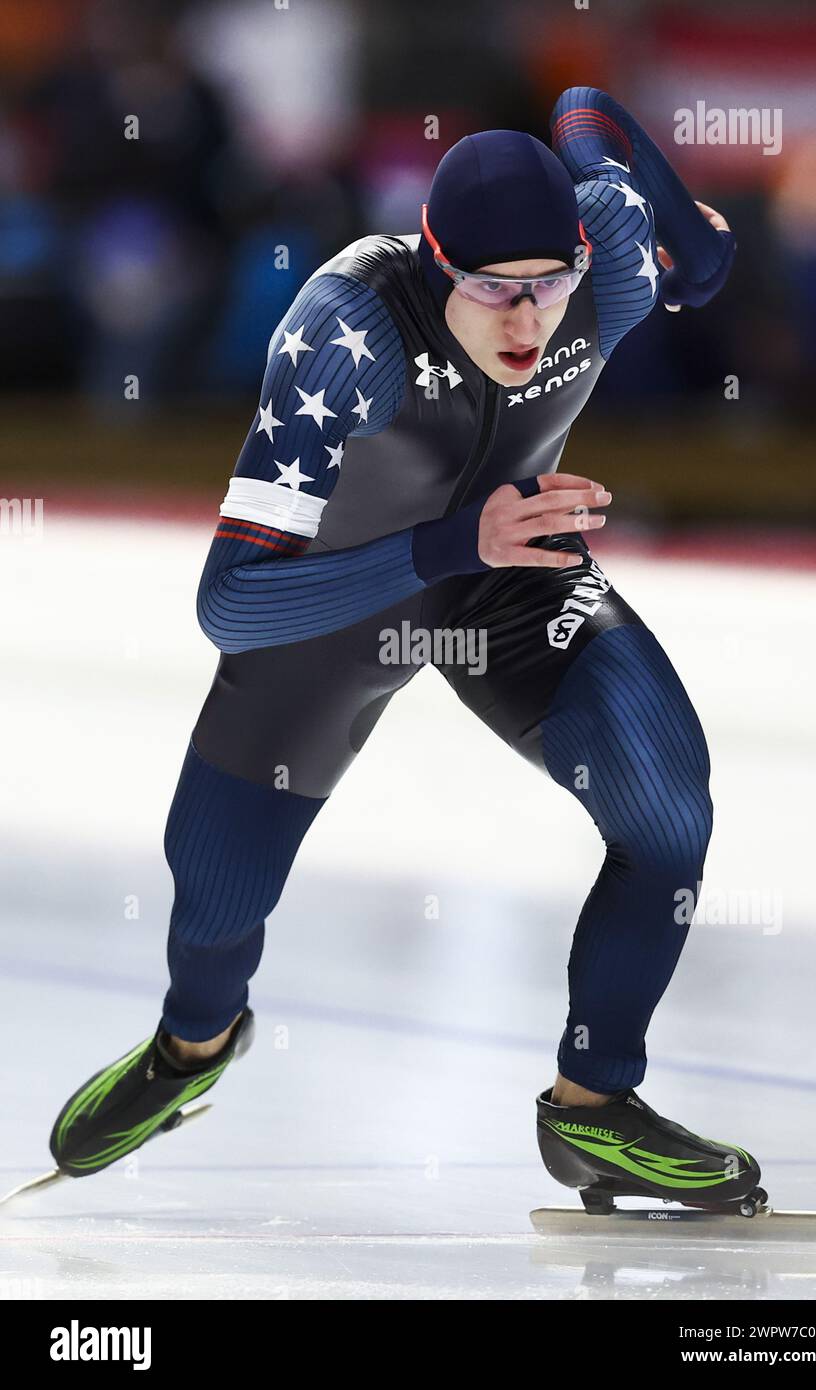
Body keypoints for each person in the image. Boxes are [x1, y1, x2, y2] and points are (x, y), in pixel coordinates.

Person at [49, 87, 761, 1212]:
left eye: (547, 287)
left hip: (507, 565)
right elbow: (230, 603)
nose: (527, 323)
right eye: (490, 291)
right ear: (437, 267)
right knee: (218, 902)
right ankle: (192, 1047)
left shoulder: (607, 255)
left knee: (669, 810)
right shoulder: (346, 335)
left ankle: (591, 1109)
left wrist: (682, 224)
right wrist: (441, 541)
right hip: (331, 596)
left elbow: (594, 120)